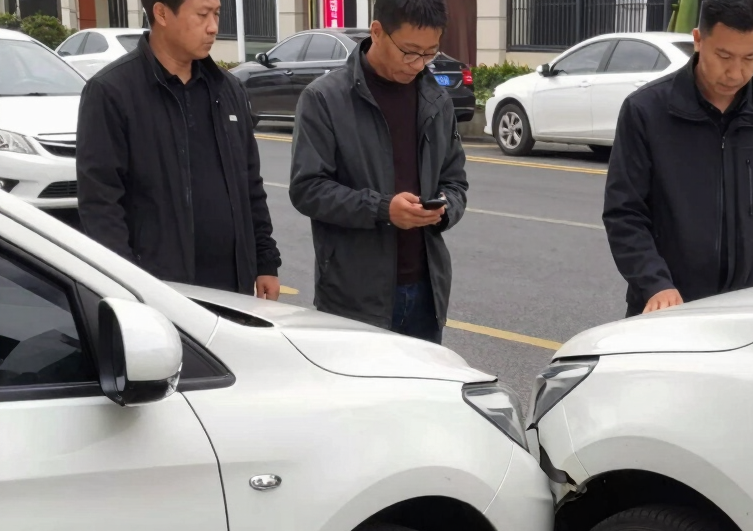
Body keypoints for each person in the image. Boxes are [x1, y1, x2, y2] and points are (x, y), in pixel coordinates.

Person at [603, 0, 753, 316]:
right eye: (724, 56)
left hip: (752, 306)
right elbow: (625, 212)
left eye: (750, 58)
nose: (736, 72)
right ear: (698, 40)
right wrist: (655, 284)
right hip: (669, 305)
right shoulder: (647, 111)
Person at [76, 0, 281, 298]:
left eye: (217, 14)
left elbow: (249, 184)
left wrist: (265, 262)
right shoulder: (112, 92)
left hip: (234, 288)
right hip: (159, 291)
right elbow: (100, 204)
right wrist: (128, 286)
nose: (213, 27)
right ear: (161, 14)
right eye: (202, 15)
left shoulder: (228, 90)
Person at [290, 0, 467, 343]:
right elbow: (307, 189)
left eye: (430, 53)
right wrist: (383, 208)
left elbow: (455, 179)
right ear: (376, 32)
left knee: (421, 394)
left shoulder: (436, 100)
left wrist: (444, 208)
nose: (418, 64)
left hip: (425, 292)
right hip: (353, 297)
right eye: (409, 51)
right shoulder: (325, 99)